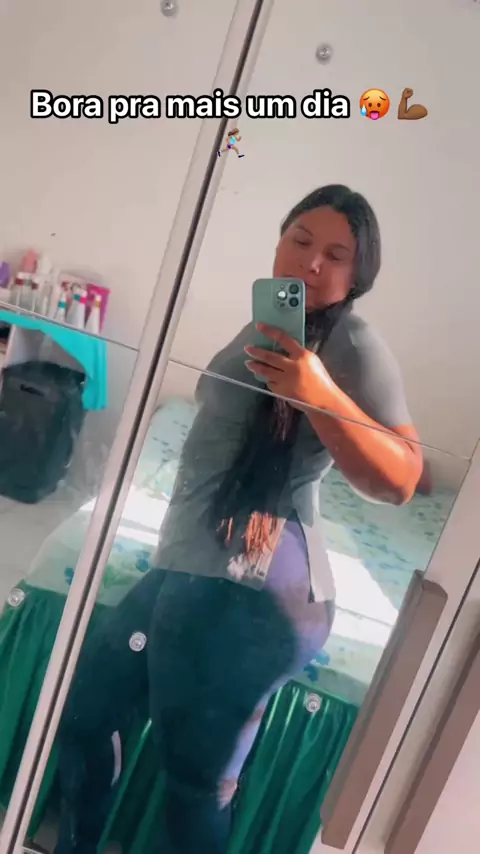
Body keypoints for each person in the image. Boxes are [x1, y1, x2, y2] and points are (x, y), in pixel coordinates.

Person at [55, 184, 423, 854]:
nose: (313, 262)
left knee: (195, 784)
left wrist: (317, 392)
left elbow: (401, 479)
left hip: (257, 593)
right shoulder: (269, 321)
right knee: (86, 716)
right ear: (279, 240)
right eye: (301, 240)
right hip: (192, 563)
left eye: (336, 255)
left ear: (359, 274)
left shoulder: (354, 343)